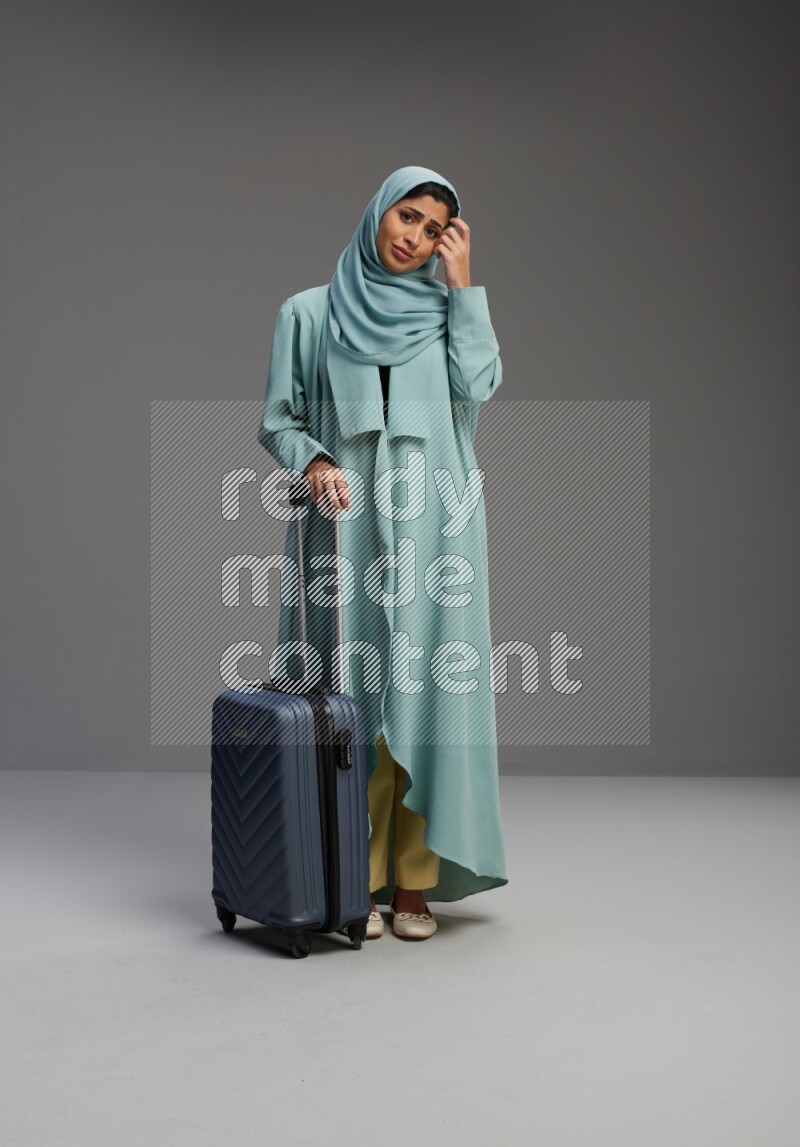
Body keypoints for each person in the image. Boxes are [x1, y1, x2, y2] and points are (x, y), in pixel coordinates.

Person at [258, 165, 508, 941]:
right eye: (407, 216)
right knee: (351, 700)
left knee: (427, 699)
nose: (415, 237)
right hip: (346, 523)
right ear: (378, 212)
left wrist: (463, 285)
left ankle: (412, 883)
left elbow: (481, 384)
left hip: (438, 526)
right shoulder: (309, 312)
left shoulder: (446, 315)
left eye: (434, 230)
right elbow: (278, 419)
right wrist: (314, 461)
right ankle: (350, 878)